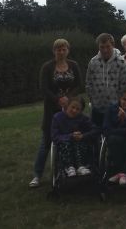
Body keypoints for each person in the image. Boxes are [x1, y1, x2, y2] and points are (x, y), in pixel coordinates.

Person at [29, 38, 83, 188]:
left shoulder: (74, 65)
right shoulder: (47, 67)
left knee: (70, 139)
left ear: (68, 50)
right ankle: (37, 175)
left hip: (71, 109)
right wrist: (58, 99)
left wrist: (69, 98)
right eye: (58, 49)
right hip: (52, 110)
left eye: (64, 49)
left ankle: (68, 169)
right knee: (46, 143)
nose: (61, 52)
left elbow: (79, 84)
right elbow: (44, 88)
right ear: (54, 51)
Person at [86, 33, 126, 127]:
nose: (105, 50)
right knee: (96, 133)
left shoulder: (121, 62)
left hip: (114, 106)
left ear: (113, 45)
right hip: (97, 106)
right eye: (102, 47)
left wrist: (119, 102)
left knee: (112, 135)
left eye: (107, 47)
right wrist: (92, 99)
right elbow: (89, 82)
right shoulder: (93, 62)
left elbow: (124, 84)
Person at [51, 97, 100, 177]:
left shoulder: (84, 119)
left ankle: (81, 166)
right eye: (73, 107)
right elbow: (55, 136)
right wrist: (70, 136)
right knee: (66, 143)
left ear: (81, 111)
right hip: (65, 147)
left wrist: (83, 136)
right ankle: (69, 167)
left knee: (79, 142)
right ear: (67, 106)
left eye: (78, 109)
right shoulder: (57, 117)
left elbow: (96, 130)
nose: (74, 111)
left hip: (81, 147)